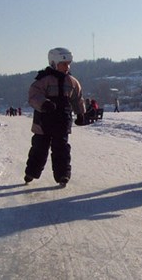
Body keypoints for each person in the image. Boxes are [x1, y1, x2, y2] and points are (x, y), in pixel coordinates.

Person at [24, 47, 88, 187]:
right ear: (54, 63)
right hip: (44, 122)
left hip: (62, 121)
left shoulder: (71, 81)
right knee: (39, 148)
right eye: (64, 64)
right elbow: (33, 95)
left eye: (68, 64)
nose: (67, 67)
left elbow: (77, 98)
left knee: (62, 149)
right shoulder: (43, 80)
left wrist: (80, 113)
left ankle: (63, 174)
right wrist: (44, 103)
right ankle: (31, 172)